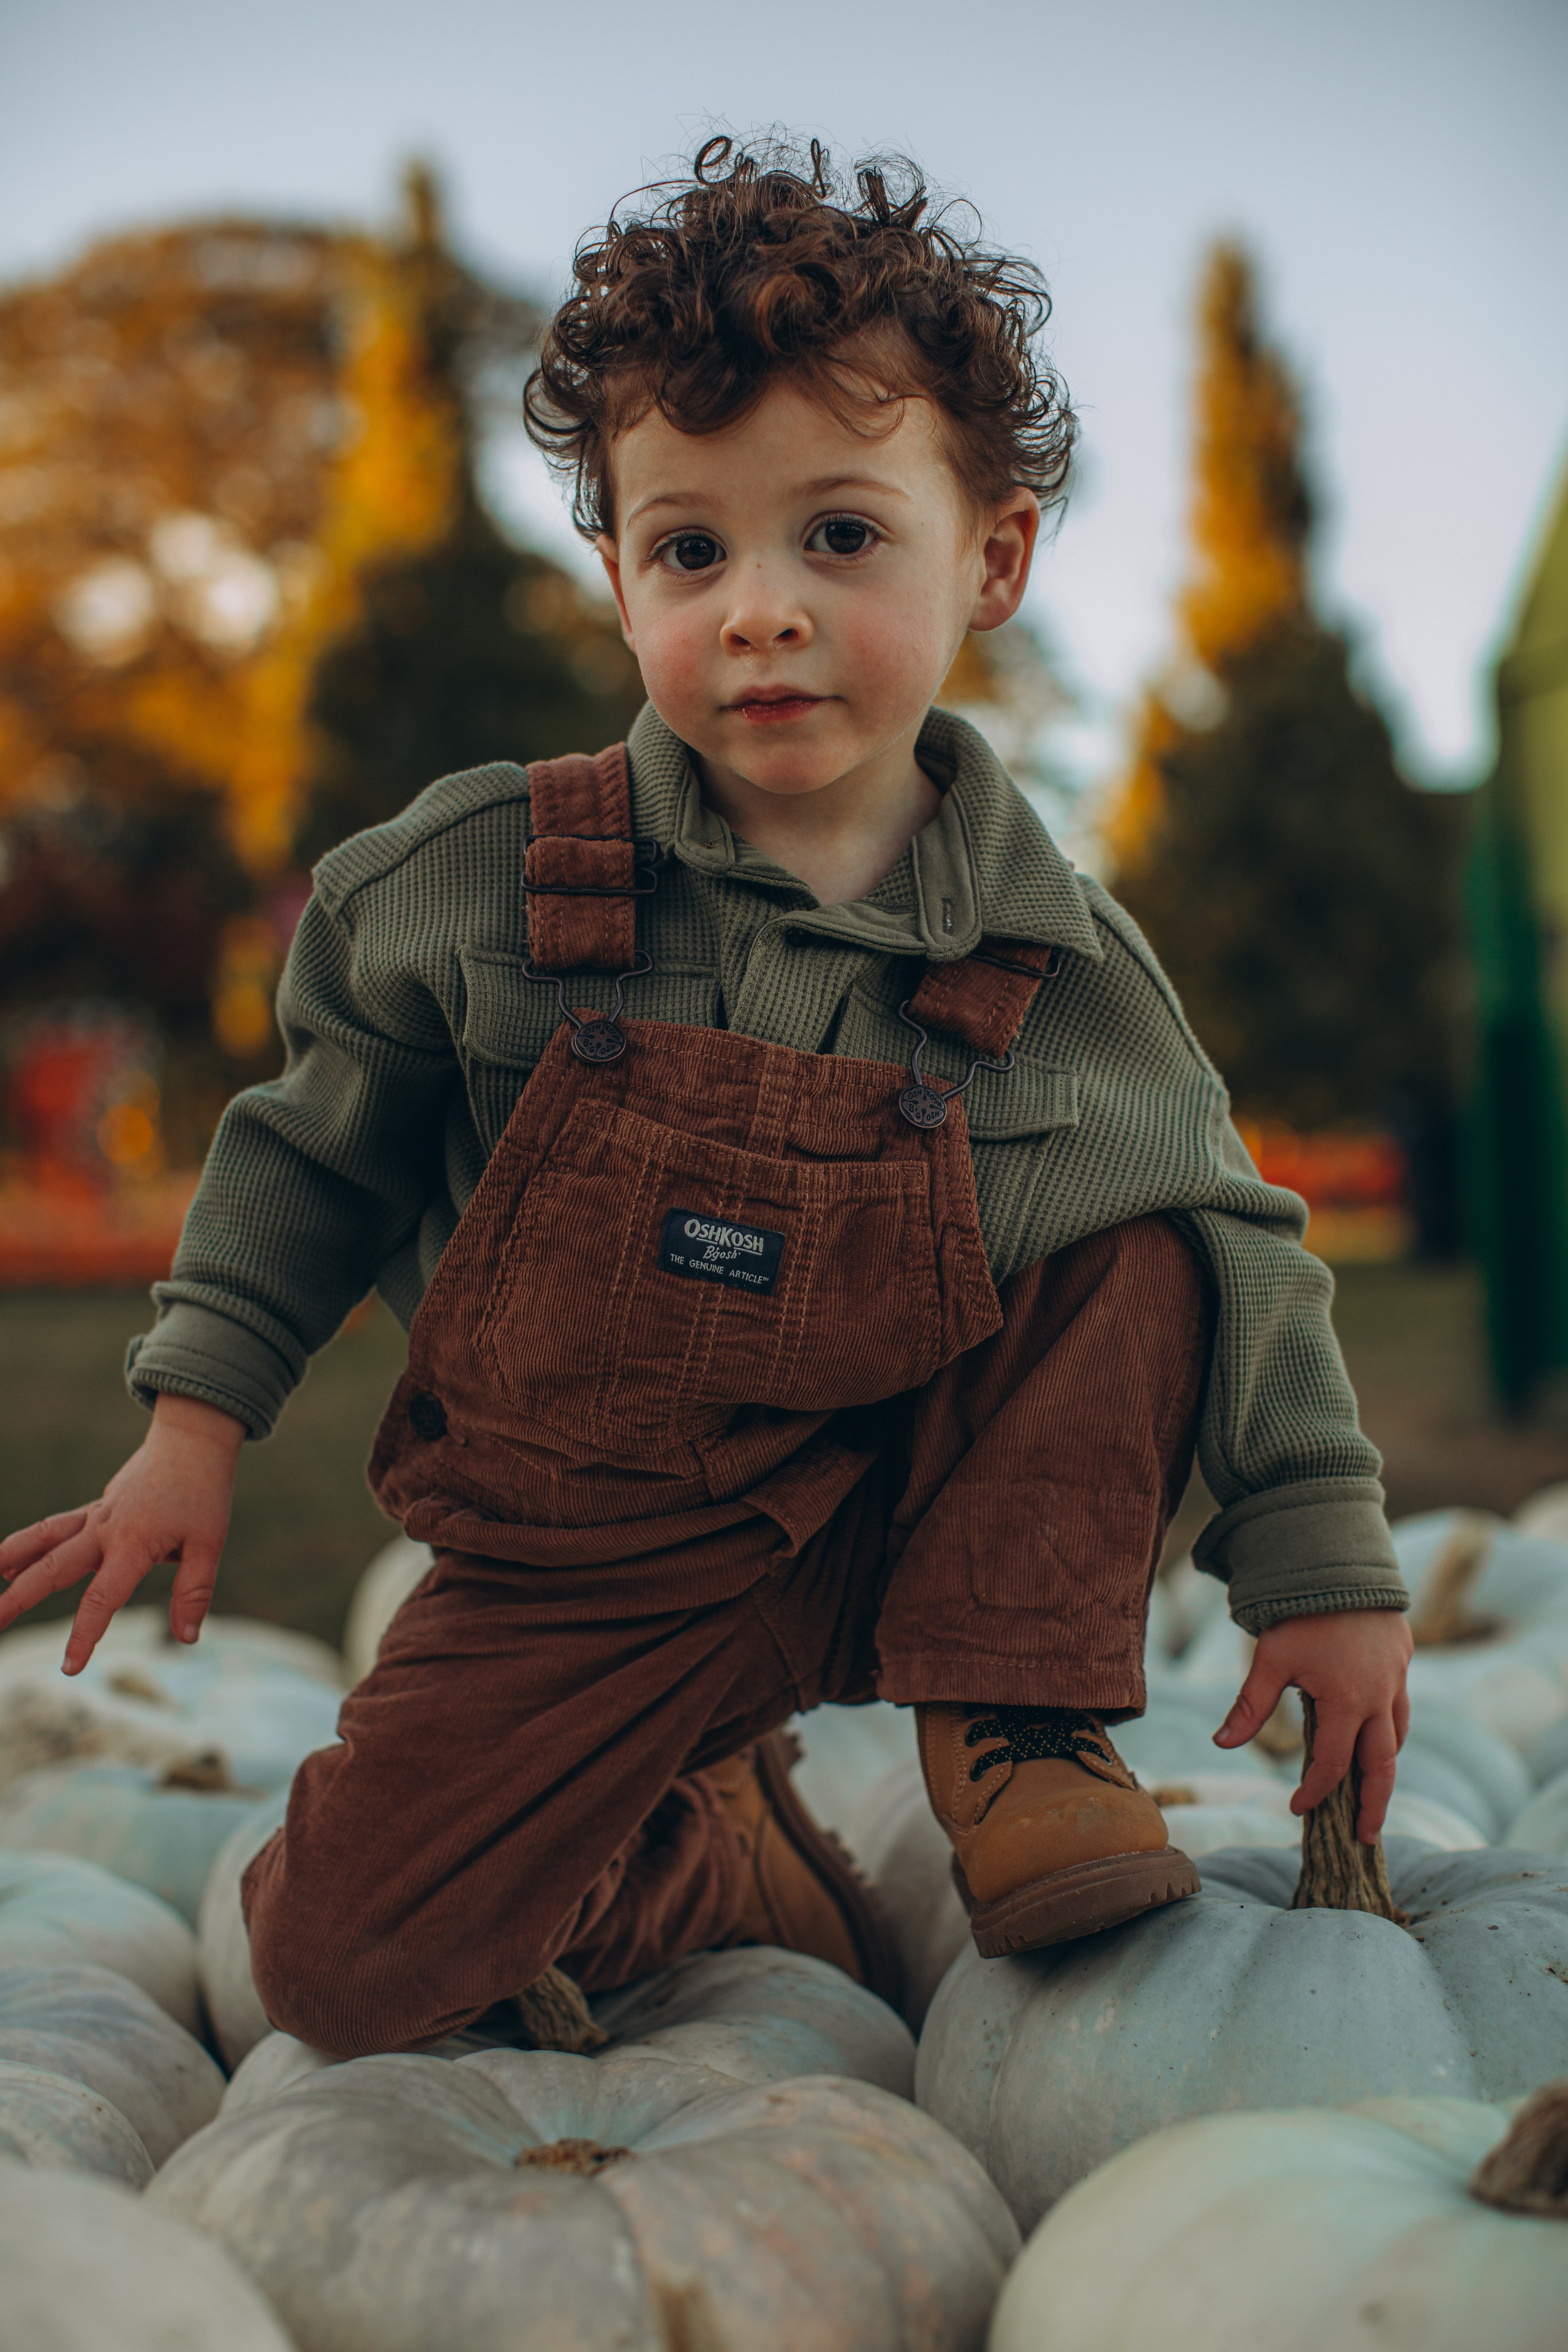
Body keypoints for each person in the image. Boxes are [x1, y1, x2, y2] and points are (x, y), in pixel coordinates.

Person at [0, 140, 1412, 2056]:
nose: (759, 609)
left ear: (990, 554)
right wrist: (193, 1422)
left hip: (913, 1515)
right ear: (616, 574)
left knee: (1151, 1227)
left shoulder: (1052, 965)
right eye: (692, 550)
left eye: (839, 536)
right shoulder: (483, 887)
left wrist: (1321, 1568)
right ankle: (696, 1844)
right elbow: (308, 1149)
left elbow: (1245, 1258)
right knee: (336, 1973)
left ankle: (1015, 1724)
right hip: (588, 1556)